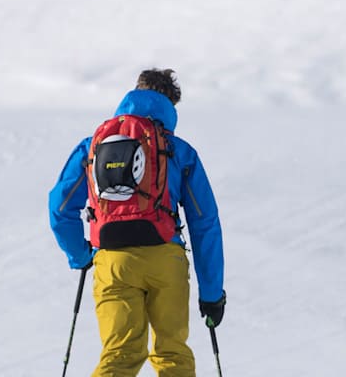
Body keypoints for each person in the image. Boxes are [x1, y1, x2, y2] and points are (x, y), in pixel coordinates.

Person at [48, 68, 225, 377]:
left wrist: (81, 255)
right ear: (170, 105)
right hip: (165, 260)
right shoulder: (179, 151)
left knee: (120, 354)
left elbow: (60, 209)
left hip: (113, 260)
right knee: (172, 354)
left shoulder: (92, 146)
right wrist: (211, 294)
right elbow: (204, 223)